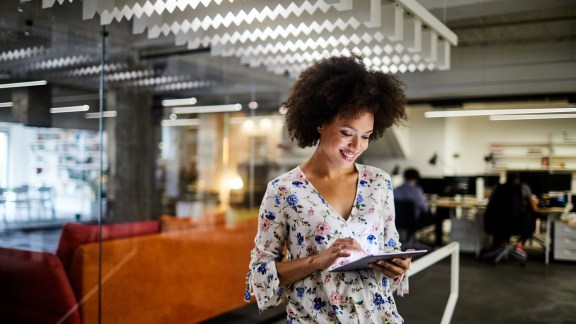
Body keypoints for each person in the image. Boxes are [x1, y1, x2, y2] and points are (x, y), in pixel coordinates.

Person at [245, 55, 412, 323]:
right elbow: (261, 273)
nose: (357, 145)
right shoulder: (284, 191)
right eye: (347, 133)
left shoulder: (379, 183)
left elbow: (391, 248)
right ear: (320, 123)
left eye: (366, 136)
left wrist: (398, 266)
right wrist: (318, 261)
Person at [484, 172, 536, 261]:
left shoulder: (497, 187)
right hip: (516, 226)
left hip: (497, 224)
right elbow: (532, 205)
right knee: (530, 214)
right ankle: (519, 245)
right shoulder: (523, 187)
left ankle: (501, 243)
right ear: (518, 179)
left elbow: (490, 202)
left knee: (505, 219)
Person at [393, 168, 435, 246]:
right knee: (434, 216)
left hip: (398, 220)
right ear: (416, 178)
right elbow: (424, 208)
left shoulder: (396, 190)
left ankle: (407, 240)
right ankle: (437, 244)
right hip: (413, 221)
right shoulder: (416, 190)